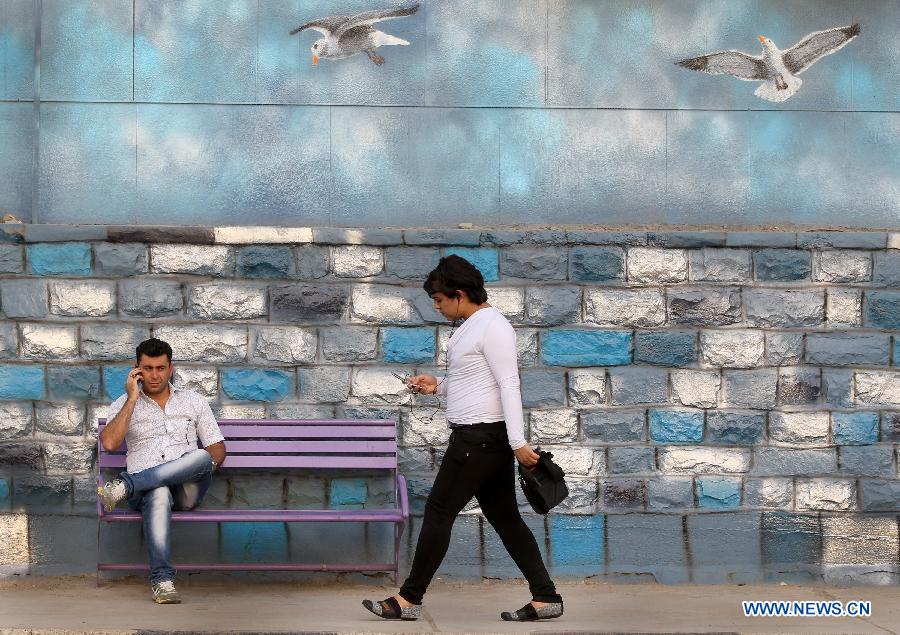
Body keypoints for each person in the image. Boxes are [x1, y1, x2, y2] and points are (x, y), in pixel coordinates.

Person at [362, 255, 563, 622]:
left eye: (439, 300)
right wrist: (437, 385)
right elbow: (474, 379)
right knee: (504, 518)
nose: (437, 307)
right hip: (479, 438)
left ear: (458, 294)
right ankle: (546, 597)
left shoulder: (494, 326)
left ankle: (409, 600)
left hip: (479, 440)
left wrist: (518, 442)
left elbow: (508, 383)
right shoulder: (471, 325)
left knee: (439, 511)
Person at [97, 338, 226, 604]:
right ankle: (162, 581)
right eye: (148, 368)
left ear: (171, 369)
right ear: (136, 371)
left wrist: (198, 468)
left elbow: (217, 449)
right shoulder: (123, 403)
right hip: (148, 495)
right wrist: (133, 398)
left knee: (201, 456)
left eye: (160, 368)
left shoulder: (194, 401)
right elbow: (109, 444)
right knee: (157, 492)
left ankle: (125, 486)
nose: (154, 375)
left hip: (187, 490)